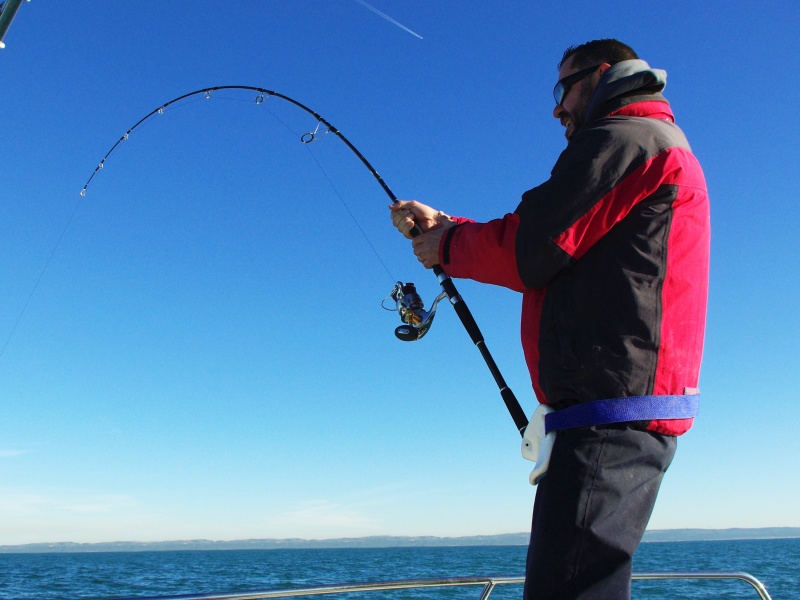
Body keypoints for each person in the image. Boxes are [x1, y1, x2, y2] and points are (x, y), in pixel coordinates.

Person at [390, 39, 710, 600]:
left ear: (605, 75)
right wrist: (447, 227)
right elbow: (552, 233)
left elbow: (532, 249)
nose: (555, 109)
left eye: (563, 89)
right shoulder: (645, 143)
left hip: (608, 416)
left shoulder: (625, 139)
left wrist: (447, 245)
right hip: (613, 414)